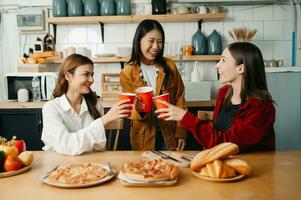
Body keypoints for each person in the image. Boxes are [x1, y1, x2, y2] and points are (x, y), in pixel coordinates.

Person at [155, 42, 276, 152]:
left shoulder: (261, 108)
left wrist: (185, 117)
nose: (217, 66)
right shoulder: (224, 94)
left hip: (256, 169)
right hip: (226, 166)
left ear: (241, 68)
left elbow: (226, 144)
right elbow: (216, 135)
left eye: (223, 60)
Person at [42, 54, 132, 155]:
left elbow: (99, 147)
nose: (91, 80)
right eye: (86, 74)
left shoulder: (96, 106)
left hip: (90, 165)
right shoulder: (51, 108)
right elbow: (66, 145)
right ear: (68, 76)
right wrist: (104, 120)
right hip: (59, 166)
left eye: (92, 75)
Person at [120, 19, 187, 151]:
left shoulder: (170, 67)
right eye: (151, 41)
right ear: (139, 41)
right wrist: (137, 109)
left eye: (160, 41)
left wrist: (181, 133)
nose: (156, 46)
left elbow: (180, 100)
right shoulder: (127, 72)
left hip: (169, 132)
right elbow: (129, 111)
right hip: (143, 136)